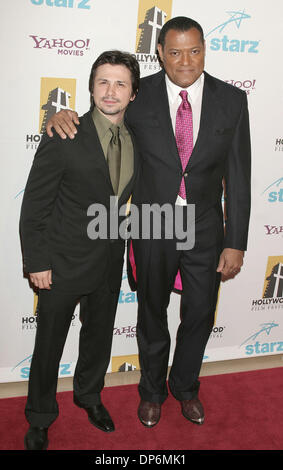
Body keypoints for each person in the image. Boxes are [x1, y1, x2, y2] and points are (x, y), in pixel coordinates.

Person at [46, 17, 251, 428]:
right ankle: (152, 391)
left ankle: (186, 387)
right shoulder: (140, 96)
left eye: (194, 51)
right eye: (174, 52)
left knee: (200, 313)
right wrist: (62, 116)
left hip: (206, 227)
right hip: (152, 225)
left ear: (205, 49)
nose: (185, 61)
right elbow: (103, 117)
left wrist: (237, 241)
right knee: (151, 312)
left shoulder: (232, 99)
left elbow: (240, 175)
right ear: (160, 53)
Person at [20, 50, 140, 450]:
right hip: (62, 262)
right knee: (49, 343)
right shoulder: (63, 132)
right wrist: (37, 261)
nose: (111, 91)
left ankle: (89, 397)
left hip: (109, 260)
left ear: (133, 94)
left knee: (98, 338)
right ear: (90, 87)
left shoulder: (136, 136)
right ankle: (39, 416)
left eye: (121, 83)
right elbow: (35, 204)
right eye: (103, 81)